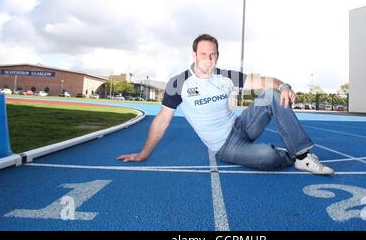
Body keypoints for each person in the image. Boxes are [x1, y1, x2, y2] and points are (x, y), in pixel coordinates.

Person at [117, 34, 334, 175]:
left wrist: (284, 85)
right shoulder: (178, 83)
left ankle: (303, 157)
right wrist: (143, 153)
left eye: (213, 54)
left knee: (274, 94)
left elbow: (265, 81)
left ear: (217, 56)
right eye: (203, 54)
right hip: (226, 146)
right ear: (194, 55)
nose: (208, 59)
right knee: (267, 156)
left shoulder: (226, 76)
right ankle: (289, 157)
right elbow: (162, 120)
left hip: (241, 126)